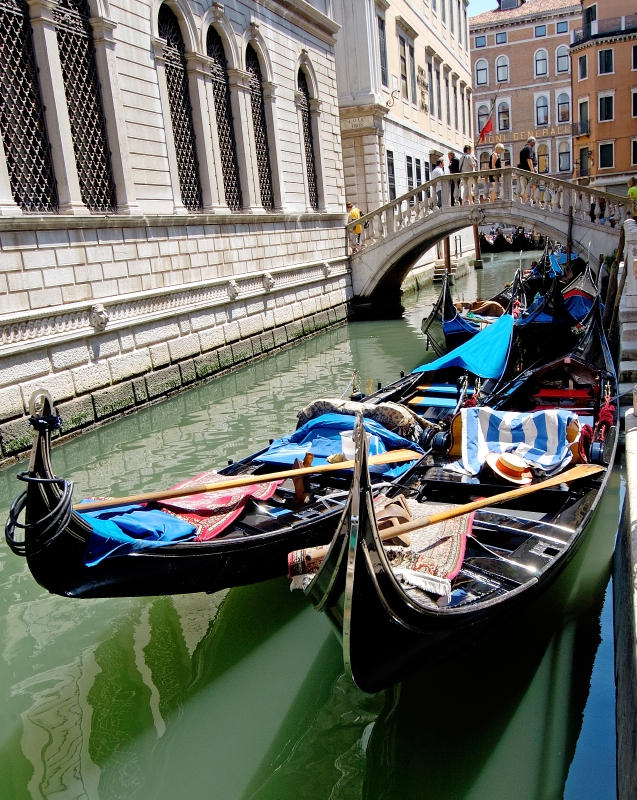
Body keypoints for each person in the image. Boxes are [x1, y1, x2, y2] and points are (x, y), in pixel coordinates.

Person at [518, 137, 536, 203]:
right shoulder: (529, 148)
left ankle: (523, 202)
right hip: (528, 171)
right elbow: (529, 159)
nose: (534, 144)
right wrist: (532, 170)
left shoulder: (522, 149)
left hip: (523, 171)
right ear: (532, 142)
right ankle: (534, 199)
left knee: (525, 188)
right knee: (534, 185)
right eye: (534, 143)